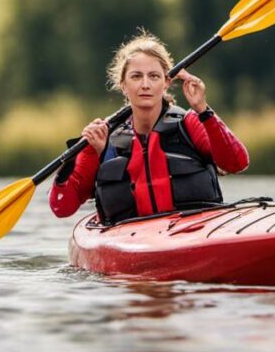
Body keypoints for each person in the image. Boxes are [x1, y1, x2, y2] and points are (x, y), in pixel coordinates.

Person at [50, 30, 249, 224]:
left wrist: (203, 110)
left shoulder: (189, 124)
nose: (145, 85)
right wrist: (91, 153)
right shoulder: (104, 138)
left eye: (154, 76)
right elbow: (62, 207)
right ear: (123, 85)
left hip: (192, 232)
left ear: (166, 83)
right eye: (136, 76)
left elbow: (237, 163)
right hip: (128, 240)